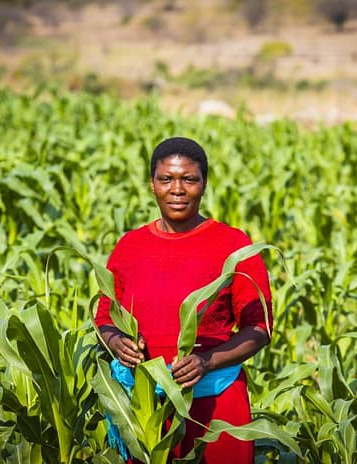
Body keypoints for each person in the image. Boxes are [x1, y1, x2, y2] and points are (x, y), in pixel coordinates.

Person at [95, 136, 273, 462]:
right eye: (166, 179)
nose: (177, 189)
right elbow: (105, 316)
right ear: (152, 185)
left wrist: (207, 362)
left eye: (189, 179)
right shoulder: (129, 247)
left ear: (204, 184)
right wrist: (116, 341)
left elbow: (259, 329)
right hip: (145, 410)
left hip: (215, 406)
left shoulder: (232, 245)